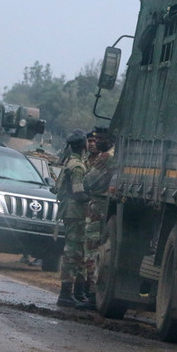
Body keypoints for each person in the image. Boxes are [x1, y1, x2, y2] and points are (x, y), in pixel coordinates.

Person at [54, 129, 90, 308]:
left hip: (71, 213)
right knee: (73, 253)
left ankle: (78, 293)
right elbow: (78, 192)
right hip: (75, 214)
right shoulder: (77, 166)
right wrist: (93, 198)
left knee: (80, 253)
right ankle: (66, 294)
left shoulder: (71, 162)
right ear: (83, 145)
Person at [82, 128, 115, 309]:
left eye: (100, 138)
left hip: (98, 208)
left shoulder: (106, 158)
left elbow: (88, 181)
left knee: (92, 251)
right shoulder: (111, 156)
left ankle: (92, 294)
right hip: (103, 207)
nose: (96, 142)